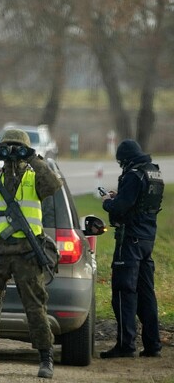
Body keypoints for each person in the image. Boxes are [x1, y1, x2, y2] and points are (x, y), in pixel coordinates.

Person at [0, 129, 62, 379]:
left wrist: (33, 158)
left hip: (27, 253)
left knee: (35, 307)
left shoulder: (34, 179)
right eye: (8, 149)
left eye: (18, 149)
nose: (13, 155)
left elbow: (53, 185)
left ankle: (45, 358)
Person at [99, 139, 164, 359]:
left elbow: (120, 208)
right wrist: (121, 199)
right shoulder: (152, 173)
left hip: (130, 241)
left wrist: (107, 202)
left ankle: (126, 345)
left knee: (123, 291)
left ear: (125, 159)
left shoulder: (133, 175)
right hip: (147, 240)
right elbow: (140, 203)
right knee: (146, 293)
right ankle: (152, 344)